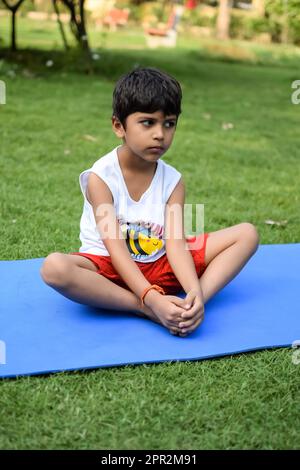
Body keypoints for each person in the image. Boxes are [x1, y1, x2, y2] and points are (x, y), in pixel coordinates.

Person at [41, 67, 259, 337]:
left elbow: (176, 243)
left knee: (247, 234)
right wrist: (150, 300)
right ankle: (141, 308)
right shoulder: (101, 177)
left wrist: (194, 292)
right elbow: (116, 248)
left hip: (162, 262)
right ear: (118, 126)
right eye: (148, 122)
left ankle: (189, 306)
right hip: (110, 269)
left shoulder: (173, 181)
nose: (160, 134)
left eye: (169, 123)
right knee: (55, 268)